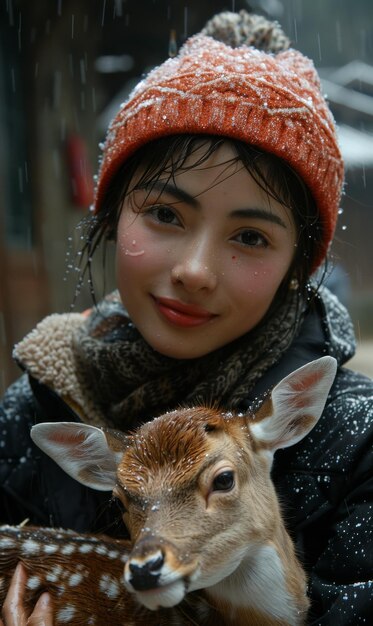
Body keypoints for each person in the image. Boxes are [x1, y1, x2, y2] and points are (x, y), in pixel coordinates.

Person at [0, 10, 372, 626]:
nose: (197, 270)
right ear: (114, 214)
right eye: (167, 216)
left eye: (250, 237)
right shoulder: (32, 416)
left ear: (296, 268)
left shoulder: (355, 446)